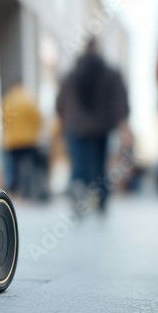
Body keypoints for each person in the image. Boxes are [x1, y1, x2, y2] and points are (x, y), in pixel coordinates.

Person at [56, 39, 129, 213]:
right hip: (100, 128)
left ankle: (78, 187)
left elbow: (59, 102)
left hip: (75, 126)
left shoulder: (71, 75)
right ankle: (101, 200)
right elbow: (119, 100)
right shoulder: (110, 73)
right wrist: (122, 123)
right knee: (99, 165)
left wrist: (63, 120)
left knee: (79, 164)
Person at [1, 85, 45, 199]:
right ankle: (28, 193)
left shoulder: (8, 99)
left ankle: (14, 192)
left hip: (12, 141)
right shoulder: (29, 100)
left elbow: (3, 119)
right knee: (28, 166)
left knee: (13, 168)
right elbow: (38, 119)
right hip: (29, 141)